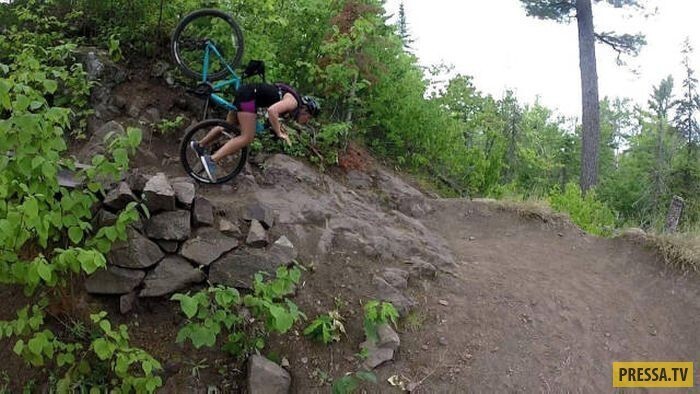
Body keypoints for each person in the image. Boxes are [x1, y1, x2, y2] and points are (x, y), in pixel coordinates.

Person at [190, 82, 320, 181]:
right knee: (247, 137)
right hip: (248, 98)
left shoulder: (291, 101)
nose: (306, 121)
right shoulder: (293, 102)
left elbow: (270, 113)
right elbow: (272, 112)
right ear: (306, 110)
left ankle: (199, 145)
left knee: (228, 126)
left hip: (246, 93)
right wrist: (279, 133)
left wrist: (277, 127)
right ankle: (211, 160)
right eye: (308, 118)